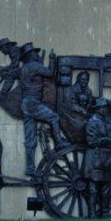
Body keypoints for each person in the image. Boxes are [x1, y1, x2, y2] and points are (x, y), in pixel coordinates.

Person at [19, 43, 69, 176]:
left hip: (25, 104)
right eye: (34, 52)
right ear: (31, 55)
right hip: (33, 103)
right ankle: (59, 142)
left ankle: (30, 169)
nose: (36, 54)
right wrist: (52, 59)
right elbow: (50, 73)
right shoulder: (34, 66)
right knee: (54, 117)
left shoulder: (24, 68)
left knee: (30, 140)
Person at [84, 97, 111, 218]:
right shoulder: (91, 122)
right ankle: (92, 213)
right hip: (95, 158)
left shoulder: (109, 122)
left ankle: (104, 211)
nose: (105, 109)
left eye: (105, 107)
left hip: (107, 158)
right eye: (103, 107)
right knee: (93, 188)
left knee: (106, 188)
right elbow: (91, 142)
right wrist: (110, 140)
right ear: (98, 109)